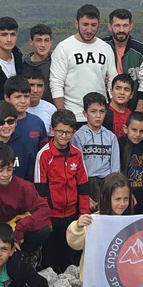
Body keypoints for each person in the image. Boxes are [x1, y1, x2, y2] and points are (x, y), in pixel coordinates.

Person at [67, 173, 133, 287]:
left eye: (126, 199)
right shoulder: (94, 220)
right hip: (97, 276)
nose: (122, 204)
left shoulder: (131, 220)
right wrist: (78, 226)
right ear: (105, 198)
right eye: (117, 199)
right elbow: (73, 242)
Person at [0, 143, 52, 256]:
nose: (5, 175)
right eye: (0, 170)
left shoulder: (25, 186)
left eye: (9, 170)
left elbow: (44, 209)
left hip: (22, 228)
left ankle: (28, 255)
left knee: (43, 230)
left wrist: (22, 226)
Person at [35, 112, 90, 272]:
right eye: (60, 132)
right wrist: (46, 219)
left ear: (73, 133)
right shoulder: (44, 155)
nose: (64, 136)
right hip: (52, 216)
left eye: (68, 133)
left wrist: (83, 214)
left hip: (72, 216)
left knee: (70, 258)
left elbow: (83, 187)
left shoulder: (77, 154)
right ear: (52, 130)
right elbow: (41, 191)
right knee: (51, 259)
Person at [50, 4, 118, 115]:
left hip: (100, 114)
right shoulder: (64, 47)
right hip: (73, 113)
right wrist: (62, 113)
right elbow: (56, 82)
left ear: (98, 25)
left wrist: (111, 108)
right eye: (85, 24)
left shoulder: (106, 48)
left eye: (93, 25)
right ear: (76, 24)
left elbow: (112, 80)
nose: (89, 30)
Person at [74, 91, 122, 197]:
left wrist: (113, 186)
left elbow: (115, 166)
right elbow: (78, 166)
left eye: (102, 112)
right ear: (85, 113)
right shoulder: (78, 136)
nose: (98, 116)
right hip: (86, 183)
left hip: (106, 183)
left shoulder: (111, 137)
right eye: (93, 111)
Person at [105, 9, 143, 113]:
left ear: (131, 26)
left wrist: (138, 111)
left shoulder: (142, 51)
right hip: (105, 110)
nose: (121, 30)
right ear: (110, 26)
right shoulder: (101, 47)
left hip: (132, 109)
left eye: (125, 25)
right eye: (117, 25)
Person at [120, 113, 143, 213]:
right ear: (125, 129)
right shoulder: (120, 144)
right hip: (125, 194)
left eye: (142, 131)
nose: (138, 135)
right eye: (134, 130)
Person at [104, 74, 136, 139]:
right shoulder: (102, 113)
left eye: (126, 90)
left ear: (131, 95)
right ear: (111, 91)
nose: (121, 93)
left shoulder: (132, 116)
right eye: (118, 88)